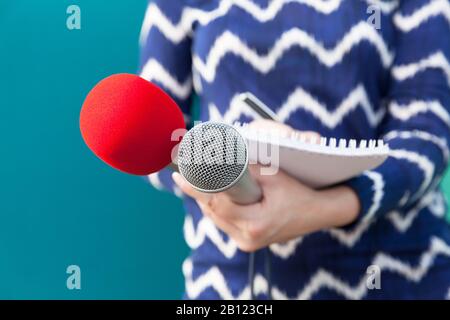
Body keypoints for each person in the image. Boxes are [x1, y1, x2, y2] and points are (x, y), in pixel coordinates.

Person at [139, 0, 450, 299]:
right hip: (231, 279)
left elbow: (426, 137)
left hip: (400, 274)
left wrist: (323, 208)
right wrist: (231, 165)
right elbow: (148, 139)